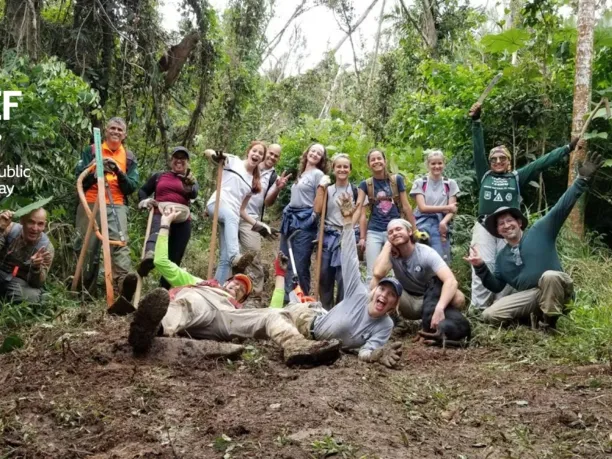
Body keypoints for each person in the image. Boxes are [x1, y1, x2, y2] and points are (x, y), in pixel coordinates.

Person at [129, 199, 403, 368]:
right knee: (186, 303)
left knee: (275, 313)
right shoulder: (203, 284)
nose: (237, 287)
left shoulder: (239, 305)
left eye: (243, 289)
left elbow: (275, 306)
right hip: (204, 302)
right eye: (236, 282)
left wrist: (280, 274)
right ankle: (155, 328)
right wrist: (163, 225)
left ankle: (296, 347)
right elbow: (164, 264)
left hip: (228, 319)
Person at [464, 151, 603, 328]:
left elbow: (562, 206)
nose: (506, 226)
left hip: (557, 291)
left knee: (550, 277)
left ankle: (550, 323)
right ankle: (530, 319)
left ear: (519, 222)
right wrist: (480, 267)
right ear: (498, 231)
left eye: (510, 221)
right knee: (490, 314)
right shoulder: (502, 258)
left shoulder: (540, 231)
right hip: (531, 297)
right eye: (501, 224)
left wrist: (581, 181)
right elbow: (496, 286)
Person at [468, 103, 579, 311]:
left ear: (509, 161)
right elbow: (477, 150)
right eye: (494, 159)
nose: (498, 161)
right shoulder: (484, 174)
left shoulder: (516, 177)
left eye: (503, 158)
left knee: (507, 268)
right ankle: (478, 308)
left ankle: (502, 306)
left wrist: (567, 149)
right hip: (485, 225)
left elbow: (541, 163)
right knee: (482, 263)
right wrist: (476, 122)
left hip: (508, 228)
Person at [74, 117, 139, 295]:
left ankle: (123, 289)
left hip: (116, 204)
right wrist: (94, 169)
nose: (116, 132)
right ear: (106, 130)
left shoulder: (129, 157)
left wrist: (118, 171)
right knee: (87, 247)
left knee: (119, 245)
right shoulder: (92, 150)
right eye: (112, 128)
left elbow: (132, 186)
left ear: (124, 134)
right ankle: (83, 291)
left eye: (120, 130)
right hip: (90, 201)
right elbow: (78, 176)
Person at [371, 219, 465, 328]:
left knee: (458, 297)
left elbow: (451, 280)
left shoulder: (426, 253)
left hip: (431, 300)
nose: (395, 233)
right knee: (375, 283)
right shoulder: (391, 254)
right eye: (390, 232)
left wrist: (439, 308)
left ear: (409, 232)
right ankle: (391, 321)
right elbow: (377, 273)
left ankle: (443, 321)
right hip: (407, 301)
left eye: (398, 229)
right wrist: (388, 245)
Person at [205, 141, 275, 284]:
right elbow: (207, 151)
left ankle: (217, 289)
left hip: (232, 215)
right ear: (248, 152)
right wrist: (215, 156)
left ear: (261, 159)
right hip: (217, 204)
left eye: (260, 154)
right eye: (254, 151)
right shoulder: (234, 161)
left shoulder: (254, 181)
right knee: (232, 218)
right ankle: (236, 256)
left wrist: (258, 224)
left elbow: (241, 210)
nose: (256, 154)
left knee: (225, 259)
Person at [137, 146, 199, 289]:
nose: (179, 160)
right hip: (161, 214)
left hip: (182, 220)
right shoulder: (160, 176)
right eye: (176, 157)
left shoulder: (190, 178)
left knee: (173, 260)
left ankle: (163, 292)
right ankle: (149, 259)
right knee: (154, 244)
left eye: (183, 158)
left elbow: (194, 194)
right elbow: (143, 190)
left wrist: (189, 185)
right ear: (171, 160)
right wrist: (144, 201)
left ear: (187, 162)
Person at [356, 148, 419, 284]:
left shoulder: (396, 180)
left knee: (398, 272)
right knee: (371, 273)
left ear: (385, 161)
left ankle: (397, 303)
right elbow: (359, 209)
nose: (376, 161)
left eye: (379, 158)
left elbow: (406, 206)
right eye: (373, 159)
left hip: (395, 230)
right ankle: (370, 303)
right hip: (374, 231)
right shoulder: (365, 184)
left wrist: (414, 230)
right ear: (368, 164)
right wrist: (360, 235)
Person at [238, 143, 291, 301]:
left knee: (253, 255)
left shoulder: (274, 176)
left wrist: (277, 188)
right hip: (233, 213)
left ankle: (255, 296)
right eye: (271, 153)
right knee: (231, 256)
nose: (272, 157)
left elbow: (267, 202)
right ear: (265, 153)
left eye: (276, 156)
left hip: (252, 218)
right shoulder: (247, 164)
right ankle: (229, 291)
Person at [279, 143, 328, 302]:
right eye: (313, 150)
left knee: (299, 266)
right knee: (284, 262)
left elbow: (319, 200)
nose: (315, 154)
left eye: (319, 153)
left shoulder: (318, 174)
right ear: (307, 152)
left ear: (321, 159)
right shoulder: (301, 173)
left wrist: (312, 218)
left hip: (304, 221)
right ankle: (286, 301)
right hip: (290, 219)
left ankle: (302, 304)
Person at [313, 153, 359, 310]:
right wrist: (321, 187)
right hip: (328, 235)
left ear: (350, 170)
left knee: (343, 276)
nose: (342, 169)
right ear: (333, 169)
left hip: (346, 235)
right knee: (324, 274)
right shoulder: (328, 189)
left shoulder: (355, 190)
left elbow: (360, 214)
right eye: (339, 166)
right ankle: (326, 309)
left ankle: (341, 310)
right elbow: (318, 209)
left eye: (345, 166)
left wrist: (352, 231)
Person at [410, 150, 459, 264]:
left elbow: (452, 209)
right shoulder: (420, 182)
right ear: (428, 165)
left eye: (439, 163)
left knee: (441, 260)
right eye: (433, 163)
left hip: (441, 224)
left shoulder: (450, 183)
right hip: (422, 223)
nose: (437, 166)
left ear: (444, 164)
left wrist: (444, 222)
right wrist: (446, 207)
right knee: (420, 258)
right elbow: (422, 207)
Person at [0, 208, 54, 305]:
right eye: (31, 222)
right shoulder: (8, 229)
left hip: (18, 283)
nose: (35, 228)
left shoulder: (46, 248)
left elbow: (37, 283)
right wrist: (0, 230)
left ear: (44, 225)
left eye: (40, 224)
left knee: (32, 298)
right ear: (22, 221)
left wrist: (36, 268)